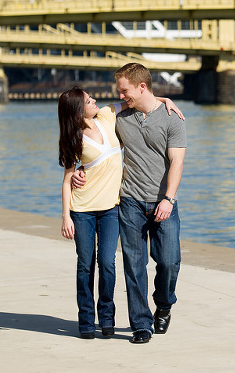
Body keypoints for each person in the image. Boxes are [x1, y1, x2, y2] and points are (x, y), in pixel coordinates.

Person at [72, 63, 187, 344]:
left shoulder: (173, 118)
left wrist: (169, 199)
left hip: (163, 202)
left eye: (125, 91)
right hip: (130, 201)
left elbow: (177, 162)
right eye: (120, 92)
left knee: (169, 262)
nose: (121, 96)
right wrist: (79, 168)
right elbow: (92, 139)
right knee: (134, 265)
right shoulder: (120, 117)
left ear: (142, 87)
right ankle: (141, 325)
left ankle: (164, 303)